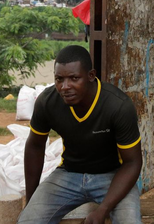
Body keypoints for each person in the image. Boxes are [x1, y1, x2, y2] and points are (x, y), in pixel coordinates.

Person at [18, 45, 142, 224]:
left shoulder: (117, 106)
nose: (65, 87)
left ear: (91, 75)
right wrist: (31, 201)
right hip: (68, 174)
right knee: (27, 221)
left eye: (74, 78)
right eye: (59, 79)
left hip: (112, 176)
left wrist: (103, 209)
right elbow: (34, 146)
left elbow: (132, 162)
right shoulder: (47, 102)